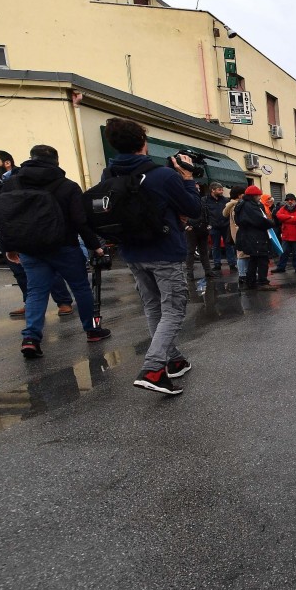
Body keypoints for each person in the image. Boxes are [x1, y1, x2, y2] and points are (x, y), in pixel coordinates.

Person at [102, 118, 199, 395]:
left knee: (153, 307)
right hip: (165, 250)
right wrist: (188, 179)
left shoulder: (109, 175)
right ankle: (154, 368)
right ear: (143, 143)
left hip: (132, 252)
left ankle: (173, 359)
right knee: (173, 310)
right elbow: (192, 208)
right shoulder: (163, 176)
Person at [0, 144, 110, 358]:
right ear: (56, 161)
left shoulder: (13, 183)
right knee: (81, 288)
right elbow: (80, 221)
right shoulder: (67, 186)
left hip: (30, 249)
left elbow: (4, 218)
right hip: (64, 246)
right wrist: (95, 246)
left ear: (30, 158)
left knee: (36, 292)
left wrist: (8, 247)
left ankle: (31, 338)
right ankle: (92, 330)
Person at [0, 149, 75, 318]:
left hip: (32, 229)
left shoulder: (25, 176)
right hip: (7, 231)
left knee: (47, 267)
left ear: (7, 162)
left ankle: (63, 302)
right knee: (19, 271)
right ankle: (29, 303)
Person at [233, 185, 275, 290]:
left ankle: (251, 282)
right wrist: (271, 223)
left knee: (254, 259)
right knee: (262, 259)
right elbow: (259, 220)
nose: (260, 197)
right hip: (256, 236)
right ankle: (262, 282)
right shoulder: (250, 206)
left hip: (249, 235)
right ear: (253, 196)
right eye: (258, 195)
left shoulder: (242, 204)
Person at [182, 187, 214, 280]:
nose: (199, 190)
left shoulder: (201, 201)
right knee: (191, 251)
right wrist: (186, 226)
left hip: (202, 228)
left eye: (199, 189)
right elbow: (180, 215)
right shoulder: (185, 202)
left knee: (203, 251)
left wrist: (209, 224)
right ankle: (189, 273)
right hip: (192, 229)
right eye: (197, 189)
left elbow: (208, 213)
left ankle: (208, 271)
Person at [204, 182, 234, 272]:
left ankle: (232, 263)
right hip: (214, 226)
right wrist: (208, 223)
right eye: (219, 190)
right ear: (213, 190)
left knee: (229, 245)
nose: (222, 191)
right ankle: (217, 264)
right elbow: (205, 213)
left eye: (222, 189)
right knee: (215, 246)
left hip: (225, 225)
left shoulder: (225, 200)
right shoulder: (205, 200)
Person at [274, 193, 296, 273]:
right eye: (288, 200)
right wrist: (291, 217)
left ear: (295, 201)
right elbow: (278, 215)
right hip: (286, 235)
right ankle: (281, 267)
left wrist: (285, 218)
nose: (290, 201)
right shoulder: (283, 208)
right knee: (284, 252)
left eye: (291, 200)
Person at [223, 187, 248, 283]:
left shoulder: (232, 205)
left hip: (237, 233)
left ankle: (243, 274)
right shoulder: (236, 206)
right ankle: (243, 275)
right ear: (239, 195)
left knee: (242, 254)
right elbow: (237, 221)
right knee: (242, 254)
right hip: (240, 233)